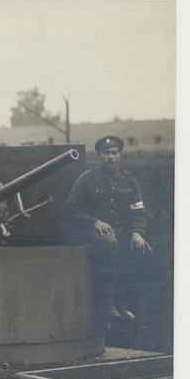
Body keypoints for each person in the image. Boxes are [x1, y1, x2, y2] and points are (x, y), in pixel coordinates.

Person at [67, 135, 152, 321]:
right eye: (106, 153)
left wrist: (138, 233)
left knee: (139, 248)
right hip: (94, 233)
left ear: (120, 156)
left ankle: (125, 302)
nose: (110, 157)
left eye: (114, 153)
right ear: (99, 156)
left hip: (122, 232)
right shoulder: (87, 179)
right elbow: (71, 209)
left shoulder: (129, 180)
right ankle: (108, 305)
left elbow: (139, 211)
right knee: (110, 244)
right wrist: (94, 222)